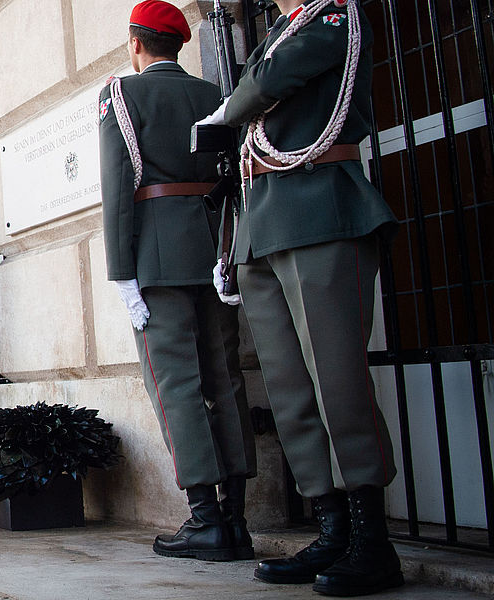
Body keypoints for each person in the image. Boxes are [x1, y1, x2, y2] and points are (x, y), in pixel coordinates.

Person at [200, 0, 402, 594]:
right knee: (290, 390)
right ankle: (332, 525)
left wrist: (226, 110)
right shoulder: (280, 32)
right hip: (263, 219)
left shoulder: (335, 20)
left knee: (336, 379)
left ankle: (372, 538)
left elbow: (266, 86)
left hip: (320, 207)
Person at [98, 0, 257, 563]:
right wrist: (229, 249)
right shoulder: (213, 94)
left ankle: (206, 519)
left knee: (176, 386)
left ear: (135, 44)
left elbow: (119, 187)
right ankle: (236, 517)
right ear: (178, 45)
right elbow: (234, 178)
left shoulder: (123, 94)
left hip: (157, 260)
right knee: (225, 379)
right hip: (212, 249)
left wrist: (122, 272)